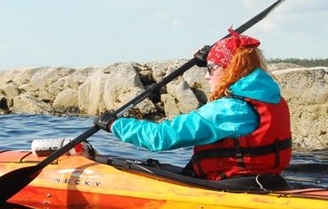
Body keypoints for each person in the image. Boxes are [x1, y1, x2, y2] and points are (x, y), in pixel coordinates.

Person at [94, 29, 291, 181]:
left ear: (230, 69)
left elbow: (161, 137)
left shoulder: (228, 110)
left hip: (229, 187)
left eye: (211, 68)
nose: (206, 75)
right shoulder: (270, 98)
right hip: (262, 181)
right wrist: (211, 57)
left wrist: (115, 125)